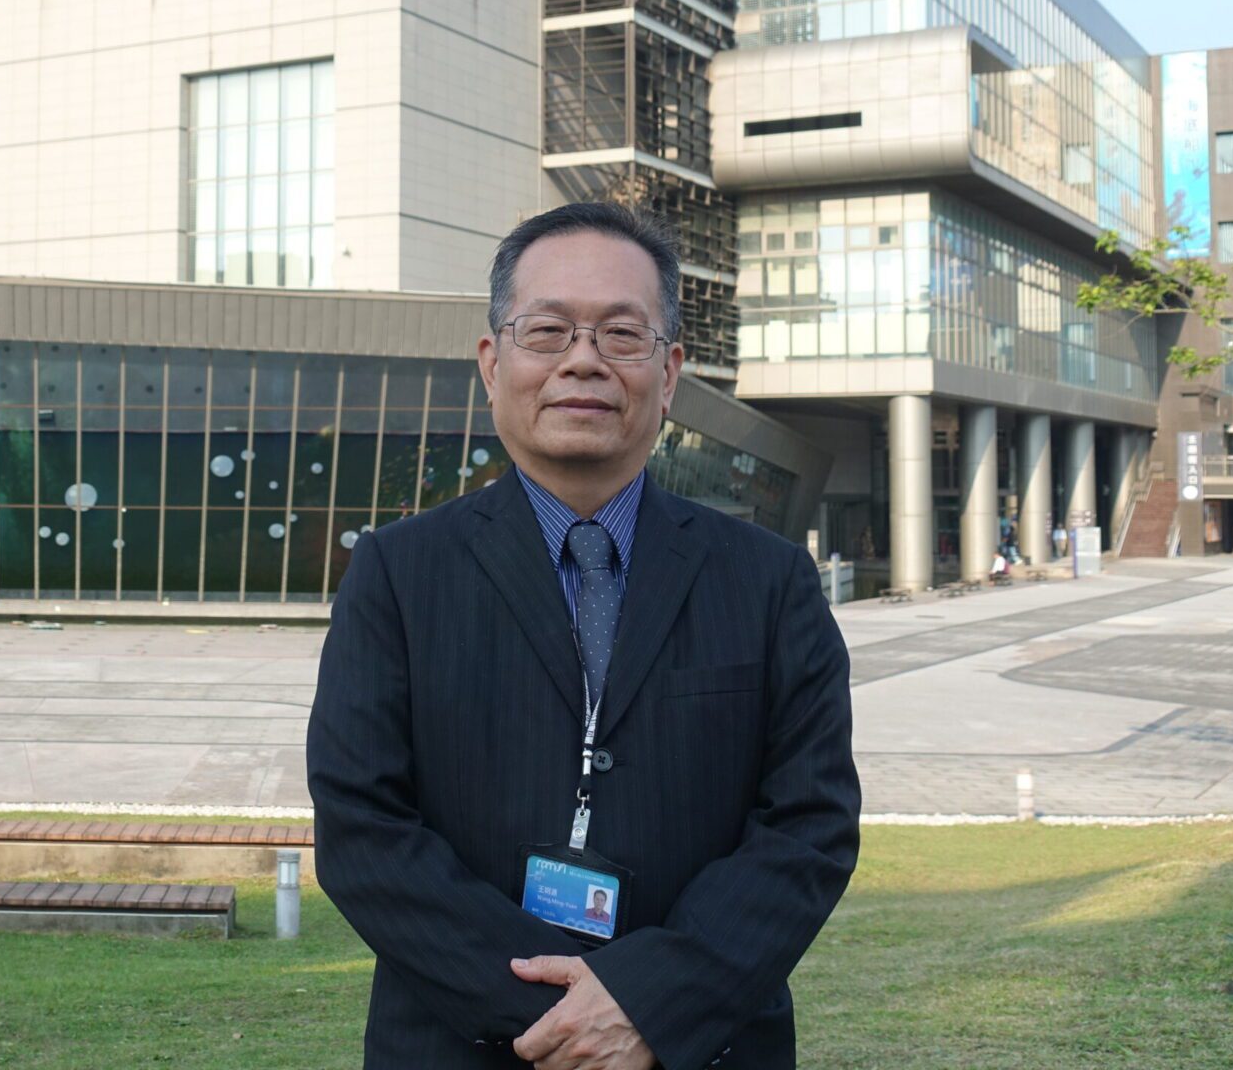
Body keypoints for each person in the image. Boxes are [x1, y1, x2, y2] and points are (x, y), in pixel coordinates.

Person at [308, 202, 860, 1069]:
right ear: (493, 363)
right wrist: (561, 1015)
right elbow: (363, 830)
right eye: (548, 330)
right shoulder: (397, 576)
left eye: (621, 335)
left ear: (670, 372)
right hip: (464, 1045)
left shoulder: (770, 581)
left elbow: (809, 827)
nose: (582, 360)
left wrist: (651, 1004)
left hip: (698, 1046)